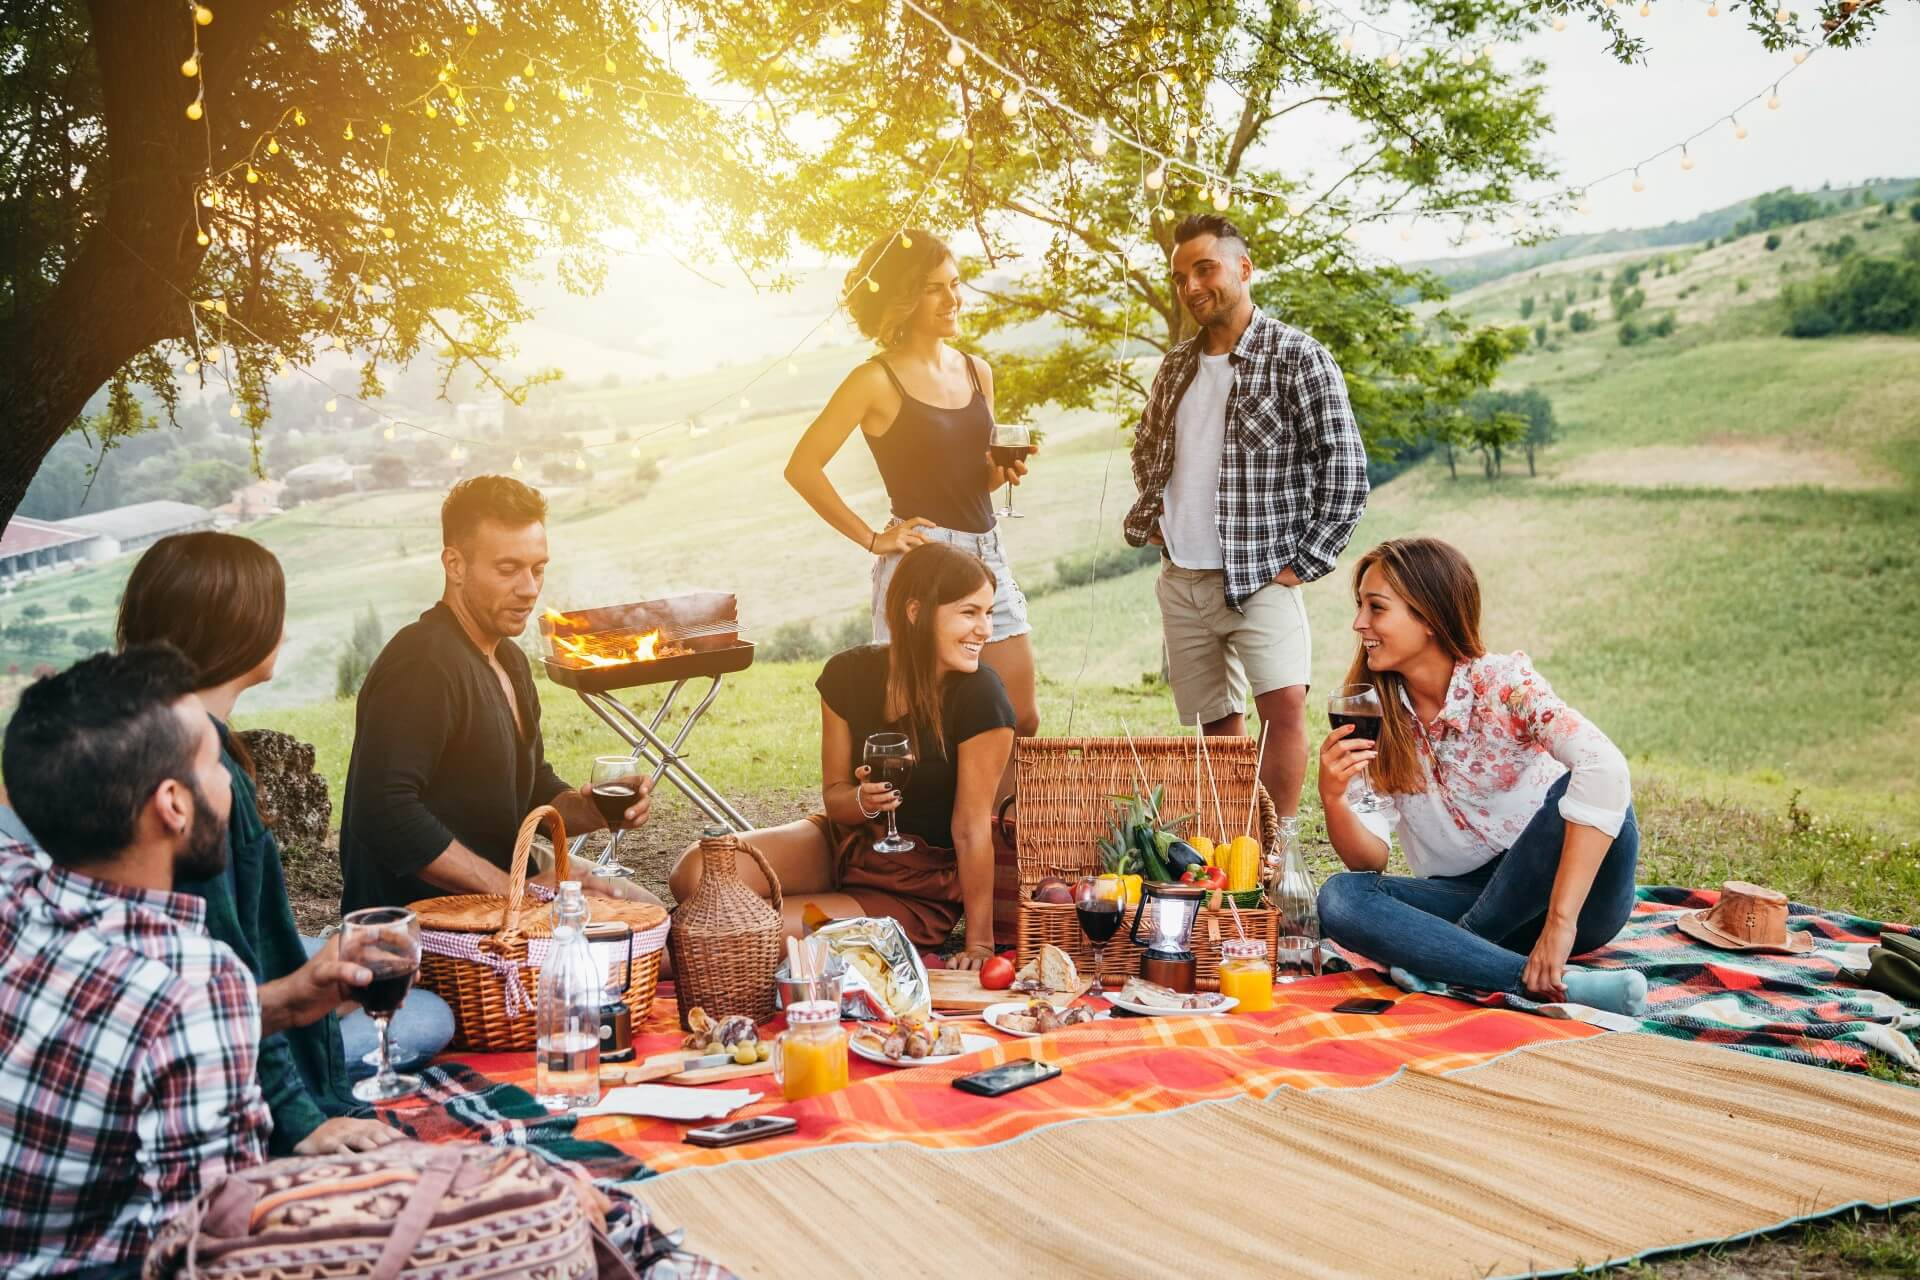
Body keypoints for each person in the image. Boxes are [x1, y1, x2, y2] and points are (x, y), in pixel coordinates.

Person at [0, 648, 375, 1277]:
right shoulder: (194, 986)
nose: (235, 781)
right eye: (214, 763)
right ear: (173, 804)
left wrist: (284, 1001)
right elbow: (209, 1249)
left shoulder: (14, 886)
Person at [117, 532, 439, 1120]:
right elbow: (224, 971)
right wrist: (300, 1115)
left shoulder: (138, 732)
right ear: (238, 627)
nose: (283, 631)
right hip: (226, 1031)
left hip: (184, 1000)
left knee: (352, 963)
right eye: (275, 613)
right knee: (429, 1016)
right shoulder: (206, 776)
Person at [1313, 537, 1647, 1016]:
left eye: (1376, 607)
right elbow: (1371, 858)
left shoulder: (1504, 684)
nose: (1358, 623)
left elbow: (1606, 766)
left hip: (1573, 897)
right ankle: (1549, 984)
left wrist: (1559, 923)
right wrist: (1334, 799)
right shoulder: (1375, 714)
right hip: (1466, 895)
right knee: (1341, 897)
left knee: (1579, 786)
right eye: (1359, 606)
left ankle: (1454, 953)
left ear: (1428, 617)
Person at [1122, 212, 1370, 820]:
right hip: (1182, 578)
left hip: (1261, 573)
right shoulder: (1176, 366)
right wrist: (1154, 513)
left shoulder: (1298, 357)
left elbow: (1345, 470)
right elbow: (1145, 446)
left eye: (1205, 268)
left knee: (1282, 707)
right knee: (1216, 720)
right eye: (1181, 276)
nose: (1192, 286)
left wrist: (1304, 561)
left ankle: (1277, 849)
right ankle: (1236, 844)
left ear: (1243, 268)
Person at [668, 544, 1015, 967]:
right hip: (844, 845)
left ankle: (639, 953)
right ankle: (672, 938)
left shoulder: (982, 697)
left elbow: (971, 828)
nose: (985, 629)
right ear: (915, 611)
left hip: (913, 887)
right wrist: (861, 801)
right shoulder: (847, 676)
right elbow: (834, 797)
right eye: (969, 612)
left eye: (989, 613)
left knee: (735, 937)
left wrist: (979, 945)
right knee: (693, 874)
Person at [339, 476, 656, 916]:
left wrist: (591, 809)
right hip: (427, 916)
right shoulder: (423, 662)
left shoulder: (508, 659)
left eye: (538, 568)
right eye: (508, 570)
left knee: (652, 914)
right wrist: (516, 894)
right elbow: (384, 813)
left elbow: (527, 787)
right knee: (650, 946)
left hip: (503, 884)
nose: (529, 589)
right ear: (455, 564)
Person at [785, 227, 1040, 741]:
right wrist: (874, 539)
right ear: (903, 298)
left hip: (985, 552)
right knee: (925, 721)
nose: (954, 298)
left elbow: (970, 481)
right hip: (922, 561)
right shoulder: (874, 379)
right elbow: (802, 467)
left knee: (1018, 716)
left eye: (956, 283)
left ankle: (997, 822)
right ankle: (932, 822)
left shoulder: (976, 370)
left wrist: (1001, 472)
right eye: (935, 288)